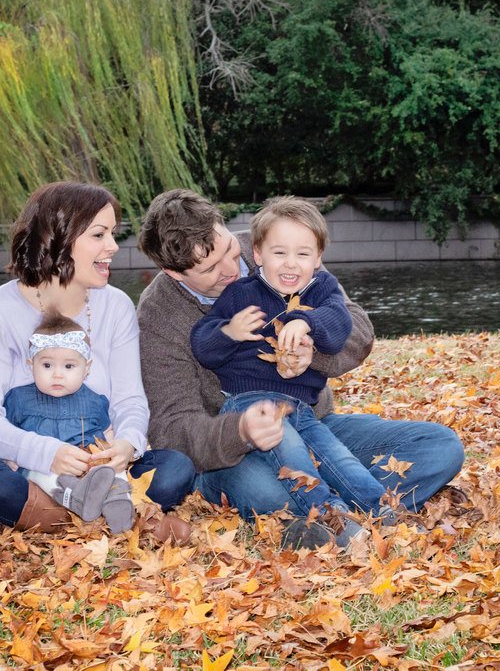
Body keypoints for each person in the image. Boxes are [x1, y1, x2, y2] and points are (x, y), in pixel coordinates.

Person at [136, 188, 465, 546]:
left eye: (230, 250)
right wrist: (241, 431)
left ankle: (339, 505)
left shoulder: (277, 245)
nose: (232, 269)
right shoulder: (157, 316)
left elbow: (356, 326)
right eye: (211, 268)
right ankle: (325, 508)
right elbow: (172, 428)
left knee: (440, 447)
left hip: (314, 423)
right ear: (173, 272)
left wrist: (314, 352)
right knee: (266, 494)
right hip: (233, 454)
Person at [0, 181, 195, 534]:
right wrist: (47, 453)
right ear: (60, 238)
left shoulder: (116, 306)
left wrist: (126, 444)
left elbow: (129, 400)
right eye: (99, 235)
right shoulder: (0, 308)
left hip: (99, 467)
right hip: (24, 468)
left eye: (112, 234)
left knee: (176, 468)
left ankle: (56, 513)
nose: (112, 246)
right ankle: (104, 514)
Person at [189, 197, 394, 546]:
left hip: (303, 409)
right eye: (279, 252)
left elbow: (339, 323)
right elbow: (202, 347)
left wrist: (305, 322)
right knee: (297, 461)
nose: (291, 263)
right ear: (258, 254)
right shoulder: (241, 294)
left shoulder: (323, 289)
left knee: (338, 459)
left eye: (302, 254)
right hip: (252, 404)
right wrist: (229, 332)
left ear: (318, 258)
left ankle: (386, 514)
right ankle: (339, 523)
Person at [3, 310, 133, 533]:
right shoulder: (18, 399)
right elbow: (7, 436)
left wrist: (109, 454)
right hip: (45, 469)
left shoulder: (95, 401)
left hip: (88, 464)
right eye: (47, 366)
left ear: (87, 368)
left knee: (111, 469)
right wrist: (10, 462)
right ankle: (78, 498)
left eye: (69, 366)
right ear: (30, 364)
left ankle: (118, 501)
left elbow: (107, 436)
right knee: (41, 473)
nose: (57, 374)